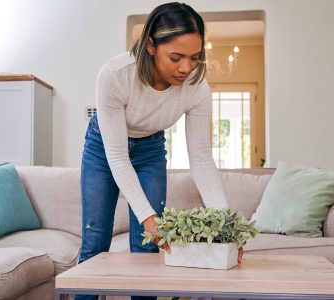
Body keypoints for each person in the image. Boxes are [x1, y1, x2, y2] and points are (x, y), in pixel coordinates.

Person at [76, 3, 242, 300]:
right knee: (95, 241)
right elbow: (117, 156)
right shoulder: (114, 75)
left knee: (148, 245)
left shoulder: (196, 88)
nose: (186, 68)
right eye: (176, 57)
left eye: (194, 57)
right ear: (151, 45)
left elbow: (202, 158)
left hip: (151, 148)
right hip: (103, 149)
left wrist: (224, 223)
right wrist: (147, 216)